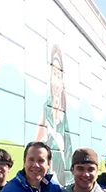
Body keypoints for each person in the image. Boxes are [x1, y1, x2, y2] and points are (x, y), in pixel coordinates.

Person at [34, 45, 73, 183]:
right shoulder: (46, 111)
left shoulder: (64, 118)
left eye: (59, 75)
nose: (56, 81)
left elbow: (69, 155)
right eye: (53, 74)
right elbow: (35, 146)